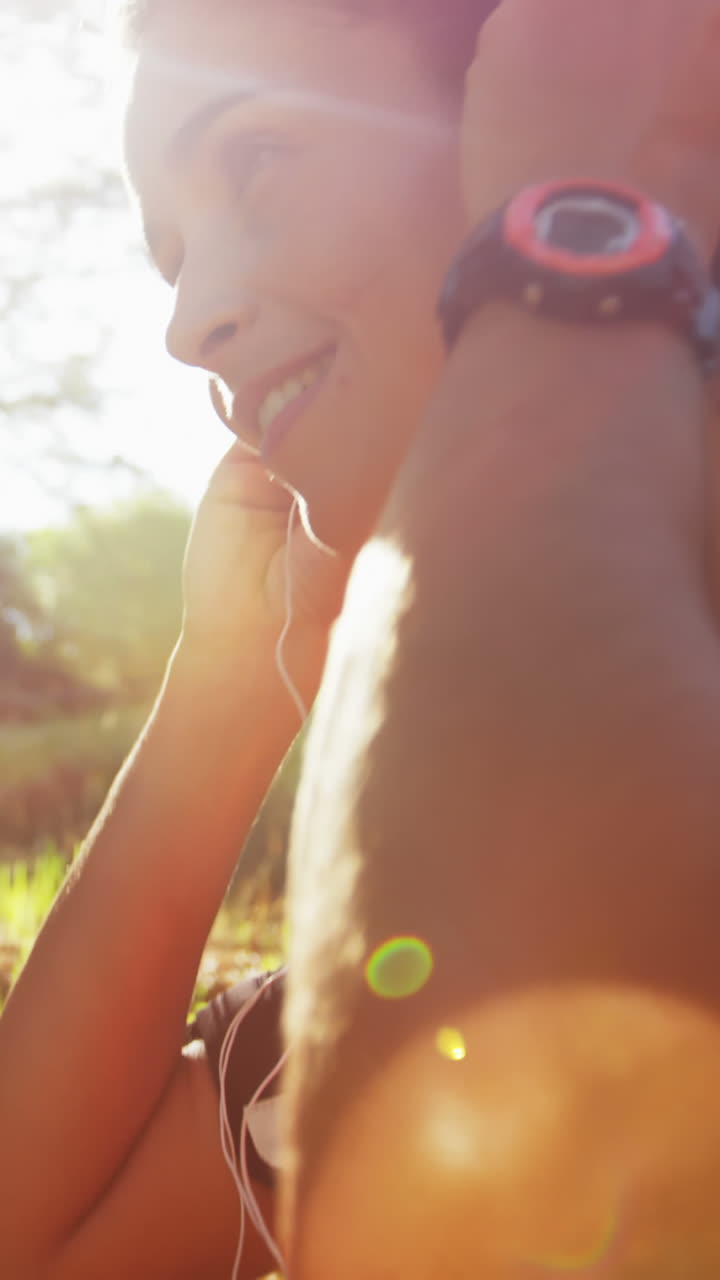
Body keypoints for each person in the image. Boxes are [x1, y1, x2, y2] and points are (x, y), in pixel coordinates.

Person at [0, 0, 719, 1276]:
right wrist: (223, 687)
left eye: (255, 158)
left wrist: (559, 247)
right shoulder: (413, 929)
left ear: (539, 85)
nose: (187, 324)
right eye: (171, 262)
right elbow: (32, 1237)